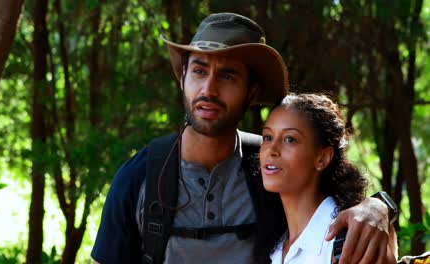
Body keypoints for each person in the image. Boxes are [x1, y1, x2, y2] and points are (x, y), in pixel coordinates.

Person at [91, 13, 395, 264]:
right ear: (182, 78)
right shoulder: (139, 177)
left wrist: (380, 207)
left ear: (251, 91)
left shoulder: (267, 168)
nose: (208, 89)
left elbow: (338, 194)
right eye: (199, 71)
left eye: (227, 76)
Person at [255, 93, 398, 263]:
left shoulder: (353, 239)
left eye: (290, 139)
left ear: (322, 158)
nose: (272, 150)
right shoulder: (275, 247)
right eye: (267, 137)